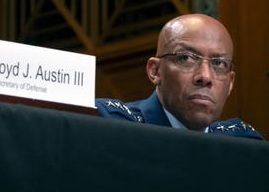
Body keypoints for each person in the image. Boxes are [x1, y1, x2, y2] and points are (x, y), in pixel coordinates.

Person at [96, 13, 263, 140]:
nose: (205, 77)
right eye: (186, 58)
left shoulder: (244, 142)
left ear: (231, 83)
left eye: (218, 63)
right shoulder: (109, 125)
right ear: (155, 71)